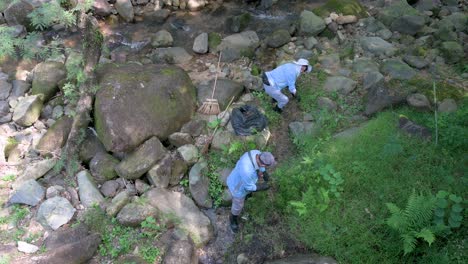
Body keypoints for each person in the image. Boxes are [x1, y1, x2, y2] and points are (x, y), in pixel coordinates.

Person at [227, 150, 276, 233]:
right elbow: (250, 187)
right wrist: (265, 186)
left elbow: (260, 166)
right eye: (267, 166)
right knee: (237, 206)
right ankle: (233, 219)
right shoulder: (247, 171)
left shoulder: (256, 153)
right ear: (263, 164)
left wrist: (264, 173)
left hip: (241, 177)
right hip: (237, 188)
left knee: (247, 191)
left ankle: (246, 196)